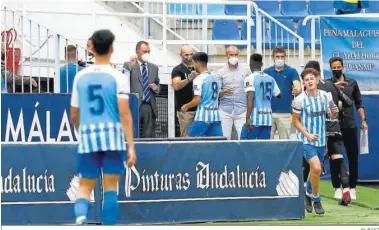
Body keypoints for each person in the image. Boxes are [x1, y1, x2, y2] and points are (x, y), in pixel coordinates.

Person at [70, 29, 137, 225]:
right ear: (111, 49)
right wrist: (131, 146)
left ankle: (81, 215)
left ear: (92, 48)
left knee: (85, 186)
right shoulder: (117, 77)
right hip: (112, 138)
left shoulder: (80, 77)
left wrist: (82, 130)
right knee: (110, 189)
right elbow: (125, 114)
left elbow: (74, 114)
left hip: (89, 137)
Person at [305, 60, 354, 205]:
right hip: (335, 128)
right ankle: (346, 192)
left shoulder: (310, 88)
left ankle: (307, 194)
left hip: (318, 131)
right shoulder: (331, 85)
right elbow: (349, 103)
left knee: (311, 164)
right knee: (339, 160)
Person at [292, 68, 339, 215]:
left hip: (320, 140)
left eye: (312, 78)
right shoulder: (299, 100)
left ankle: (307, 194)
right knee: (317, 169)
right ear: (303, 83)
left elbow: (332, 114)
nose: (309, 81)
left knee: (315, 171)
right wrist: (308, 134)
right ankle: (316, 199)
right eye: (306, 80)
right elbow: (295, 121)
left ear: (317, 79)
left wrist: (335, 112)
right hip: (306, 140)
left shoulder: (326, 96)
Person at [328, 57, 368, 200]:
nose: (337, 69)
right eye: (334, 67)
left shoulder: (352, 83)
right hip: (333, 125)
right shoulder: (328, 84)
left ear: (343, 67)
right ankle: (336, 187)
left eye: (339, 66)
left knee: (352, 157)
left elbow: (359, 103)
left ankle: (352, 188)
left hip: (350, 125)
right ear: (330, 68)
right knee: (335, 157)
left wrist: (363, 120)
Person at [123, 41, 160, 138]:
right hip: (134, 105)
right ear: (137, 52)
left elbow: (158, 85)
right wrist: (131, 67)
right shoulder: (129, 65)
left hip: (149, 106)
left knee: (148, 136)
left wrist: (156, 88)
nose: (147, 54)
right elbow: (124, 83)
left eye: (148, 51)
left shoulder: (154, 68)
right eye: (144, 51)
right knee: (132, 134)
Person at [181, 52, 222, 137]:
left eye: (193, 63)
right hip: (215, 116)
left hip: (203, 117)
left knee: (188, 141)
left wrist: (186, 106)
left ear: (198, 64)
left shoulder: (199, 79)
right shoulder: (216, 77)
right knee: (217, 144)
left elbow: (197, 99)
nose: (193, 65)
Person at [264, 46, 301, 139]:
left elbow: (297, 86)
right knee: (266, 142)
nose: (280, 59)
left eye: (282, 57)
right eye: (277, 56)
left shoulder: (292, 71)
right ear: (273, 57)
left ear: (285, 58)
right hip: (268, 112)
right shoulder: (266, 72)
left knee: (284, 143)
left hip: (285, 113)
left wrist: (297, 89)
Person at [241, 53, 281, 140]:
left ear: (250, 64)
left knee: (245, 145)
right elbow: (279, 95)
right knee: (263, 147)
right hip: (267, 119)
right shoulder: (270, 78)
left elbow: (250, 98)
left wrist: (247, 118)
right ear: (262, 64)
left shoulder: (250, 78)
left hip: (255, 118)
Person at [217, 45, 251, 140]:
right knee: (224, 138)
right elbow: (216, 93)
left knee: (244, 138)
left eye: (236, 55)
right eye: (231, 55)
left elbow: (251, 91)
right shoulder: (221, 72)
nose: (234, 57)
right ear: (226, 55)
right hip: (225, 110)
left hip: (242, 110)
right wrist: (223, 91)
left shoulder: (246, 71)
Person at [171, 45, 198, 137]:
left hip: (199, 109)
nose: (189, 57)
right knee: (186, 137)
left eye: (191, 54)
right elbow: (176, 86)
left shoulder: (198, 67)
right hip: (185, 110)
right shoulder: (177, 70)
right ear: (181, 55)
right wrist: (189, 78)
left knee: (200, 137)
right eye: (186, 55)